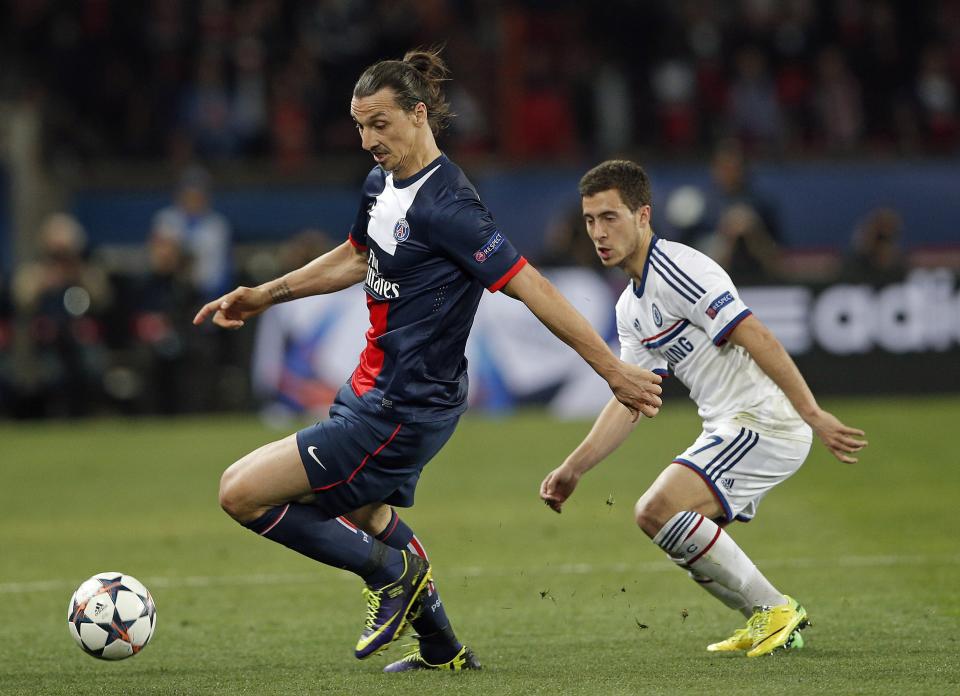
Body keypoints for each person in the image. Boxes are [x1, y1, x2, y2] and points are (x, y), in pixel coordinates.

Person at [193, 49, 663, 673]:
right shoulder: (381, 184)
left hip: (403, 407)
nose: (367, 140)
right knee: (366, 512)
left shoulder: (451, 209)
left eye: (379, 124)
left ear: (418, 115)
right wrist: (267, 295)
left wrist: (612, 369)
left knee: (240, 492)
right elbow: (357, 256)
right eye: (360, 126)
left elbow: (533, 288)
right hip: (370, 388)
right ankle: (441, 648)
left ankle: (390, 573)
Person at [539, 160, 867, 657]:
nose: (598, 233)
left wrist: (812, 412)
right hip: (729, 426)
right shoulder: (631, 306)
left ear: (643, 215)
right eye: (590, 220)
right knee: (665, 522)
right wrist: (574, 467)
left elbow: (757, 335)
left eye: (610, 218)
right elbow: (633, 397)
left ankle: (775, 610)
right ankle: (769, 619)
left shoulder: (679, 269)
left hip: (765, 422)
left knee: (658, 509)